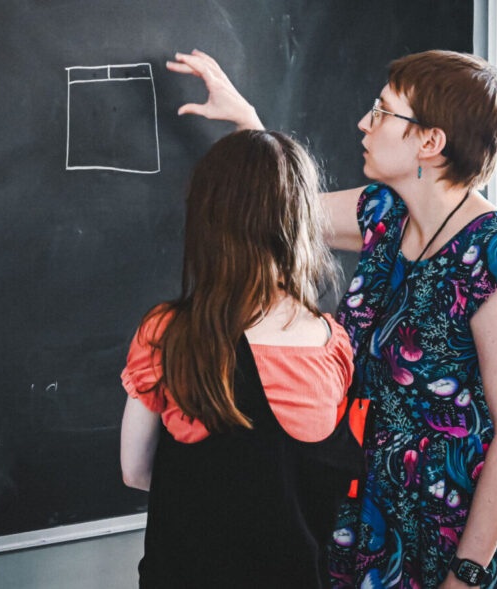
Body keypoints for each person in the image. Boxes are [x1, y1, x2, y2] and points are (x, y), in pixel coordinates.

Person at [167, 49, 497, 589]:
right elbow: (284, 208)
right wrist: (248, 122)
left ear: (430, 143)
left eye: (383, 112)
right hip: (367, 514)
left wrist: (465, 575)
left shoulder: (495, 257)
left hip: (449, 527)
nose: (364, 123)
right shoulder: (385, 213)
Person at [119, 129, 361, 588]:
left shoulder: (167, 335)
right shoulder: (333, 345)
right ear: (300, 222)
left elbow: (135, 471)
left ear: (208, 220)